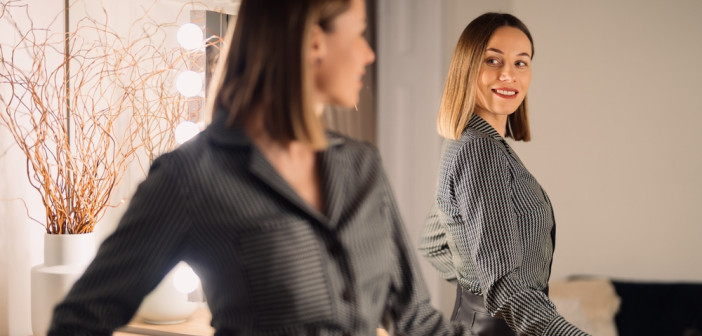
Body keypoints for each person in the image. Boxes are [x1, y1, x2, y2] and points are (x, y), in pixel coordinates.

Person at [48, 0, 472, 335]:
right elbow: (79, 321)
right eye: (359, 33)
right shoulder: (192, 178)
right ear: (313, 41)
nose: (369, 53)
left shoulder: (362, 167)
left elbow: (416, 320)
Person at [418, 13, 589, 336]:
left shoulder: (463, 142)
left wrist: (478, 286)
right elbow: (506, 287)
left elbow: (433, 243)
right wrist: (491, 290)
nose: (509, 74)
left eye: (521, 63)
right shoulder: (480, 151)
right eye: (493, 60)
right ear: (467, 67)